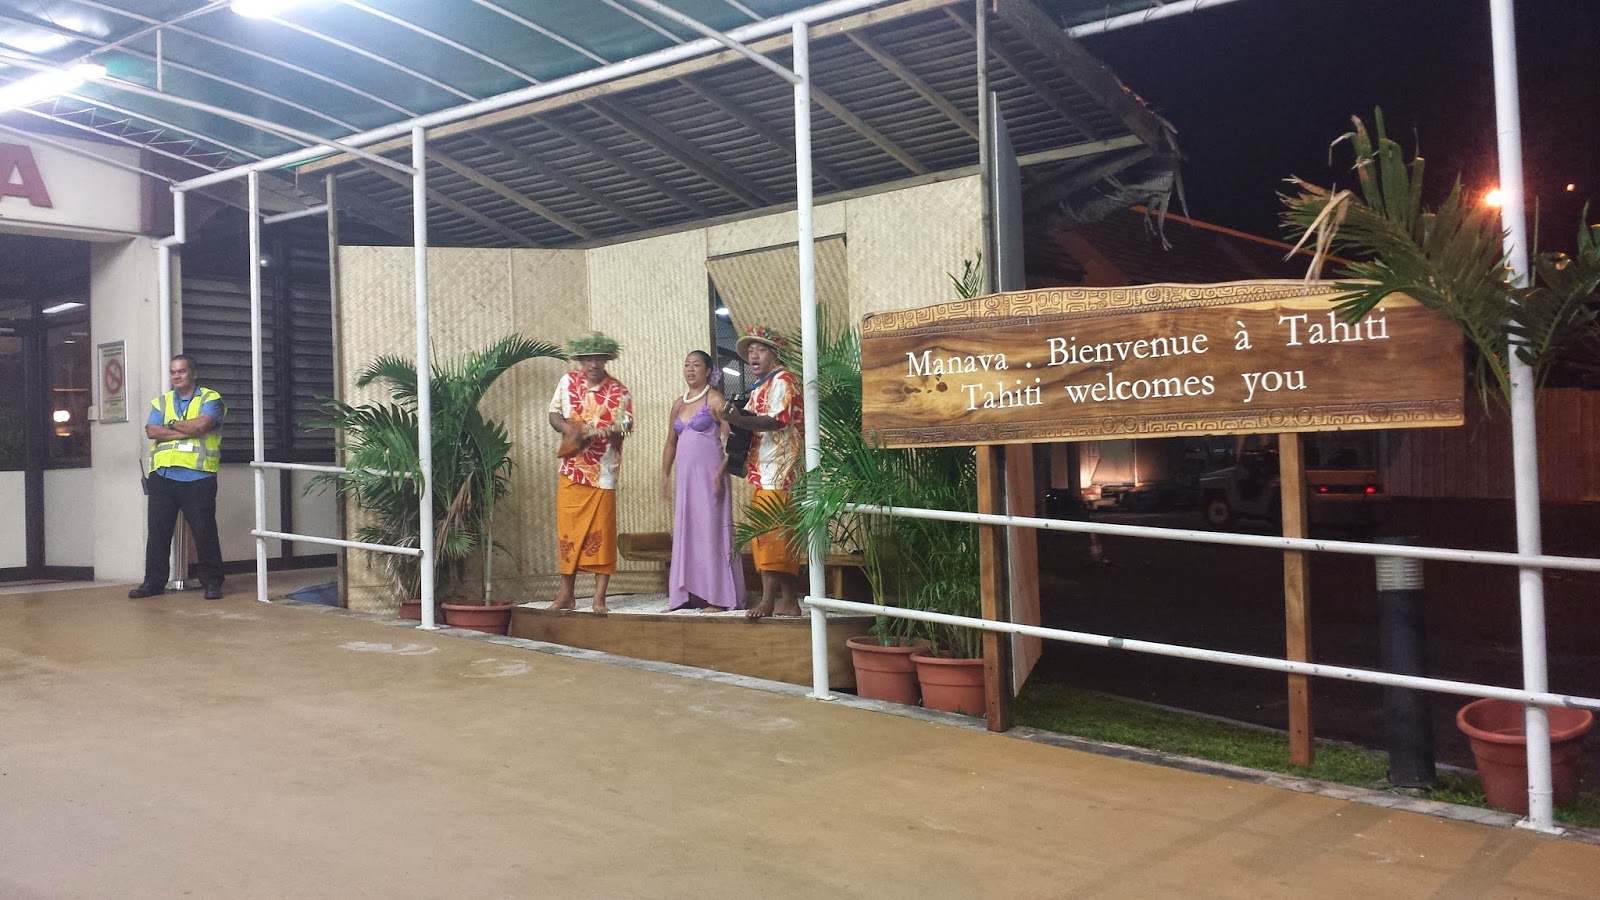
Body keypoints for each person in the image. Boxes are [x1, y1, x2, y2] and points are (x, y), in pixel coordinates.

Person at [547, 332, 633, 613]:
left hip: (603, 471)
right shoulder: (567, 382)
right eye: (588, 359)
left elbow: (626, 425)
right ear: (580, 360)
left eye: (598, 358)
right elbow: (554, 414)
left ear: (606, 360)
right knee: (568, 531)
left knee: (602, 533)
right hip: (572, 468)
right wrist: (568, 429)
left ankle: (599, 598)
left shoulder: (619, 391)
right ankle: (567, 595)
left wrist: (613, 431)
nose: (593, 364)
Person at [722, 325, 804, 619]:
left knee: (771, 536)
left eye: (760, 349)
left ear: (775, 353)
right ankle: (789, 602)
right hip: (768, 470)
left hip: (781, 470)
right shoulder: (761, 385)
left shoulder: (784, 380)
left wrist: (739, 420)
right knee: (777, 536)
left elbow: (775, 422)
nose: (753, 356)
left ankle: (768, 601)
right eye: (750, 351)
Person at [129, 354, 226, 600]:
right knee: (158, 533)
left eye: (181, 371)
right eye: (173, 372)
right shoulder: (162, 401)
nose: (176, 376)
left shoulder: (210, 398)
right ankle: (153, 583)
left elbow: (200, 427)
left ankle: (212, 582)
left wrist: (171, 424)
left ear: (193, 373)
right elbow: (152, 431)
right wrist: (184, 429)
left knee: (204, 532)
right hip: (162, 477)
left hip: (197, 476)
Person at [660, 350, 746, 611]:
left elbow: (733, 439)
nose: (690, 369)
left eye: (696, 365)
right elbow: (671, 442)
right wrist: (665, 474)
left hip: (710, 476)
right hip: (686, 478)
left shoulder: (715, 399)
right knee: (688, 529)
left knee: (711, 530)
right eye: (687, 364)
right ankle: (689, 595)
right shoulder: (678, 404)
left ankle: (718, 596)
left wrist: (721, 471)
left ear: (708, 371)